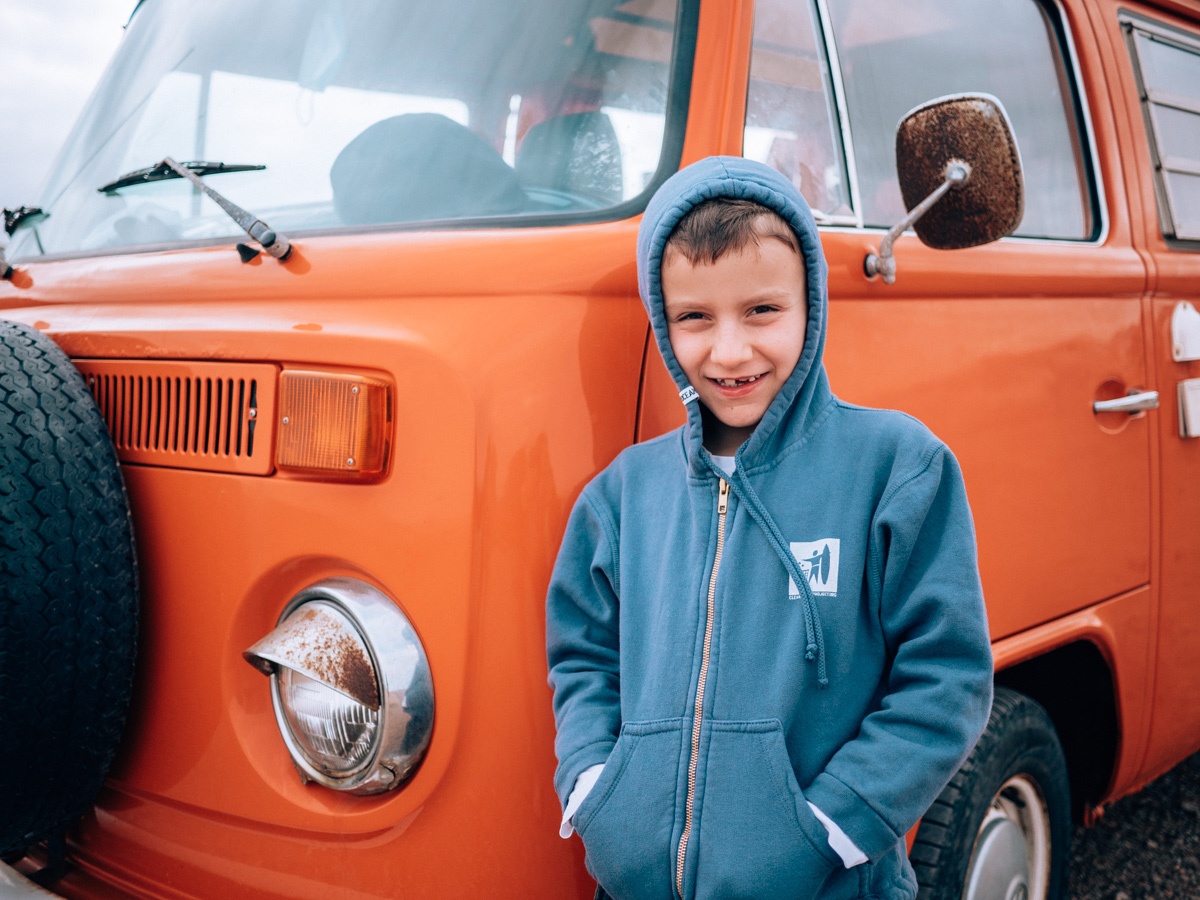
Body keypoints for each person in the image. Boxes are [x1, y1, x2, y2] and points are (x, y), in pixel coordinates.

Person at [545, 156, 992, 900]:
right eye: (695, 317)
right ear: (663, 322)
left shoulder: (896, 467)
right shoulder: (622, 494)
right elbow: (582, 656)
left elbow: (945, 678)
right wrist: (595, 786)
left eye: (761, 311)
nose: (729, 351)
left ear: (810, 306)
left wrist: (829, 827)